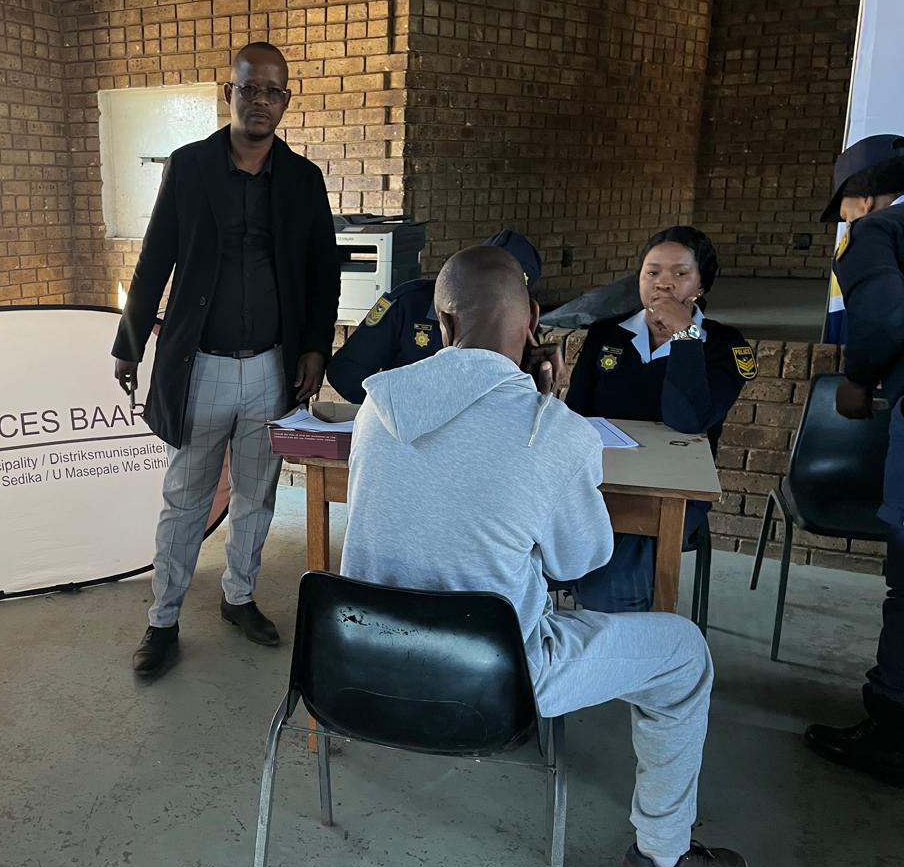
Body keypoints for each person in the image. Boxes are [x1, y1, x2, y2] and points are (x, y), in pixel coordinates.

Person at [340, 246, 748, 867]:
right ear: (533, 322)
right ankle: (661, 862)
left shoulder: (375, 409)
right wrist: (546, 409)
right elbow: (578, 562)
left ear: (443, 323)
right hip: (490, 686)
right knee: (683, 654)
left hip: (357, 671)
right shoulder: (550, 430)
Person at [112, 42, 340, 676]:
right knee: (186, 498)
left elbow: (323, 274)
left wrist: (315, 347)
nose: (260, 100)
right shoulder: (189, 168)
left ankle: (239, 598)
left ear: (285, 100)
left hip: (272, 367)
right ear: (229, 93)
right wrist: (130, 341)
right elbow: (155, 258)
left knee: (257, 495)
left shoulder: (303, 180)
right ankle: (163, 620)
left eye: (272, 91)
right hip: (201, 366)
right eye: (249, 88)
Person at [563, 227, 755, 612]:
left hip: (671, 492)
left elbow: (688, 420)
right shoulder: (607, 334)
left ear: (701, 284)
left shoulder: (726, 346)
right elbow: (576, 415)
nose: (663, 284)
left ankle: (621, 627)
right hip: (598, 480)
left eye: (680, 274)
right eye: (652, 273)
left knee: (620, 564)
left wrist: (685, 337)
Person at [805, 134, 904, 781]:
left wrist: (859, 379)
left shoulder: (876, 231)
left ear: (862, 198)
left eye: (842, 211)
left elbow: (885, 321)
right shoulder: (616, 336)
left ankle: (891, 729)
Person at [326, 230, 543, 403]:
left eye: (510, 294)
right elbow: (346, 372)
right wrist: (397, 410)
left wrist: (543, 390)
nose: (497, 305)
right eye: (491, 286)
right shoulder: (410, 303)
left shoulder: (524, 332)